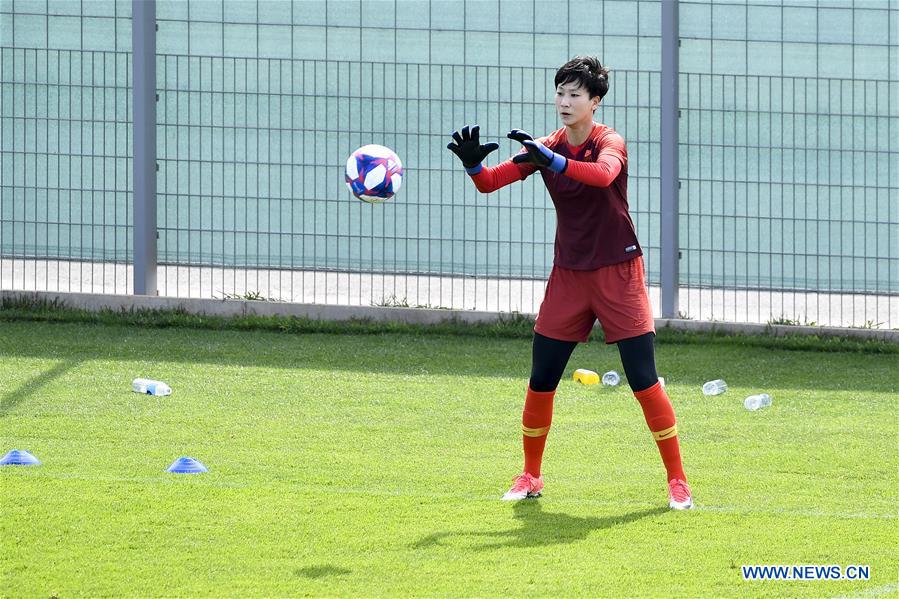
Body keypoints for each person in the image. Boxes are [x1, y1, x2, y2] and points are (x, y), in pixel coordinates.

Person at [446, 56, 692, 510]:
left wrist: (551, 160)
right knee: (541, 379)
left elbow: (604, 175)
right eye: (560, 92)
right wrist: (474, 167)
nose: (563, 101)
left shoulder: (608, 141)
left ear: (595, 102)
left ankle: (678, 482)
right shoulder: (545, 146)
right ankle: (530, 475)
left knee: (643, 379)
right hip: (569, 277)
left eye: (574, 94)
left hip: (619, 275)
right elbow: (491, 183)